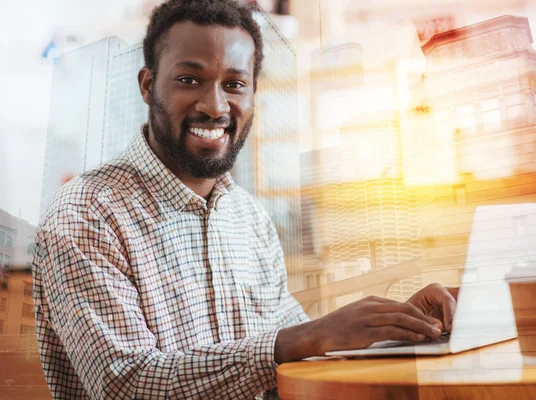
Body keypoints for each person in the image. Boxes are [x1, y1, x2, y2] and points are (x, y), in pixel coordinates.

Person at [32, 1, 458, 399]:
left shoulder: (248, 218)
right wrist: (304, 339)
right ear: (148, 86)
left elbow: (297, 347)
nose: (215, 105)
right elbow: (123, 382)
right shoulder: (85, 213)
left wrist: (397, 325)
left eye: (234, 84)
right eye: (189, 79)